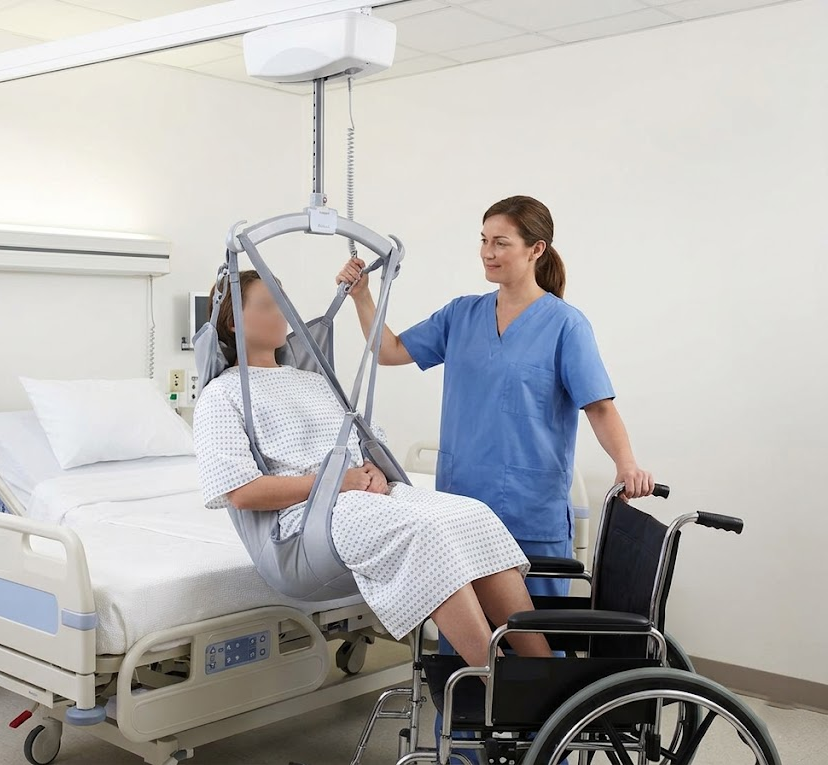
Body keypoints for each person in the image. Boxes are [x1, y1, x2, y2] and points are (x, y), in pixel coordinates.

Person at [337, 195, 655, 762]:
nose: (487, 252)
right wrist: (362, 295)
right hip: (460, 517)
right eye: (483, 240)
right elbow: (388, 350)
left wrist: (626, 464)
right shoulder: (462, 314)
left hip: (529, 517)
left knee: (532, 672)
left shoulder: (563, 324)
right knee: (469, 667)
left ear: (537, 250)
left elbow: (599, 406)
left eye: (501, 242)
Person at [192, 270, 553, 671]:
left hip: (362, 495)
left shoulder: (313, 381)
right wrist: (338, 483)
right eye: (267, 305)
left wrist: (374, 472)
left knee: (472, 515)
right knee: (423, 533)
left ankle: (546, 672)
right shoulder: (221, 396)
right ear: (233, 322)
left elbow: (364, 442)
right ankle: (499, 683)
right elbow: (241, 492)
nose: (283, 313)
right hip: (306, 522)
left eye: (283, 301)